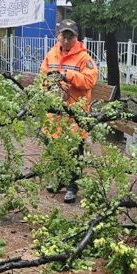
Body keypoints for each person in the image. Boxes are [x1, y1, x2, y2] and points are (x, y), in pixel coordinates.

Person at [40, 19, 98, 203]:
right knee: (55, 150)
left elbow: (89, 81)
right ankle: (59, 180)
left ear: (76, 37)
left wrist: (67, 75)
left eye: (70, 37)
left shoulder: (84, 58)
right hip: (55, 113)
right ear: (58, 36)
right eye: (63, 36)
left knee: (73, 151)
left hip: (75, 115)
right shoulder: (51, 55)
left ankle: (72, 186)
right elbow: (42, 77)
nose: (66, 41)